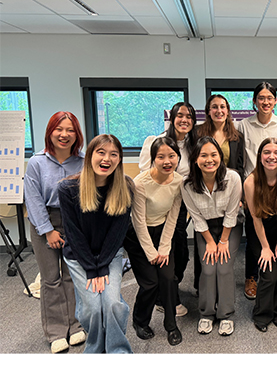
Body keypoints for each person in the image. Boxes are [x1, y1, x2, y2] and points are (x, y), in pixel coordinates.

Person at [59, 134, 134, 354]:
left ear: (119, 160)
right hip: (78, 256)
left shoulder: (126, 188)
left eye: (113, 154)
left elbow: (117, 235)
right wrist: (92, 269)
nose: (107, 158)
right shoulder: (68, 188)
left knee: (111, 303)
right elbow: (73, 234)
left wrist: (102, 266)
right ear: (89, 155)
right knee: (92, 308)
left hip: (110, 255)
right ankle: (95, 349)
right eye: (101, 152)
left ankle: (118, 350)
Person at [24, 111, 86, 353]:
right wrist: (48, 231)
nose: (64, 135)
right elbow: (34, 200)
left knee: (72, 276)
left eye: (70, 130)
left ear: (77, 134)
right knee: (51, 279)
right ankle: (56, 331)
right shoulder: (36, 162)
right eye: (59, 129)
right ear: (50, 132)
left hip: (74, 221)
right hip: (44, 221)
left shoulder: (83, 161)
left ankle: (76, 325)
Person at [138, 102, 198, 315]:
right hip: (157, 207)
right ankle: (165, 298)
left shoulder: (193, 145)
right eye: (180, 115)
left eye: (189, 116)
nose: (185, 120)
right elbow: (146, 175)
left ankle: (168, 290)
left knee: (180, 253)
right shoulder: (156, 141)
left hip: (181, 205)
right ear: (172, 118)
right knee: (166, 251)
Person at [124, 136, 183, 346]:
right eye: (161, 157)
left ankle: (171, 325)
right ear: (153, 159)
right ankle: (140, 321)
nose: (167, 161)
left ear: (178, 157)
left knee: (168, 278)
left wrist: (165, 248)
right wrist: (151, 253)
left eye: (172, 156)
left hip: (163, 233)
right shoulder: (140, 182)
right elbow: (138, 221)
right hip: (139, 236)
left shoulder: (178, 181)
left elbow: (173, 217)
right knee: (150, 283)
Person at [181, 137, 243, 336]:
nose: (209, 160)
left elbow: (232, 212)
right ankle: (206, 313)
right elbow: (196, 217)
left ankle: (225, 315)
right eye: (203, 155)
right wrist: (210, 242)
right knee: (208, 270)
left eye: (214, 155)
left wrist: (223, 241)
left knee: (223, 268)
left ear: (220, 157)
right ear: (195, 160)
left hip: (230, 227)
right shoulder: (187, 185)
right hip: (205, 228)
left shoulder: (233, 178)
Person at [238, 81, 277, 300]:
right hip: (253, 187)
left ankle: (273, 276)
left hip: (276, 186)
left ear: (276, 101)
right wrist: (242, 193)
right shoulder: (244, 125)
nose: (265, 102)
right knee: (253, 233)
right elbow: (241, 160)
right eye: (261, 98)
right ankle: (251, 277)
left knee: (275, 231)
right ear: (254, 101)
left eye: (270, 98)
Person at [243, 138, 277, 332]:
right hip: (258, 228)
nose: (271, 157)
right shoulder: (250, 182)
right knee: (268, 273)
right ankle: (261, 314)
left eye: (276, 153)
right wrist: (266, 247)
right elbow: (256, 219)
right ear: (259, 156)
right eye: (267, 152)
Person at [197, 94, 244, 179]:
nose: (219, 111)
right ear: (208, 111)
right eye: (215, 107)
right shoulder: (197, 133)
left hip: (228, 185)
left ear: (227, 111)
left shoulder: (237, 137)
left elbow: (239, 168)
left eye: (222, 107)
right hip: (203, 183)